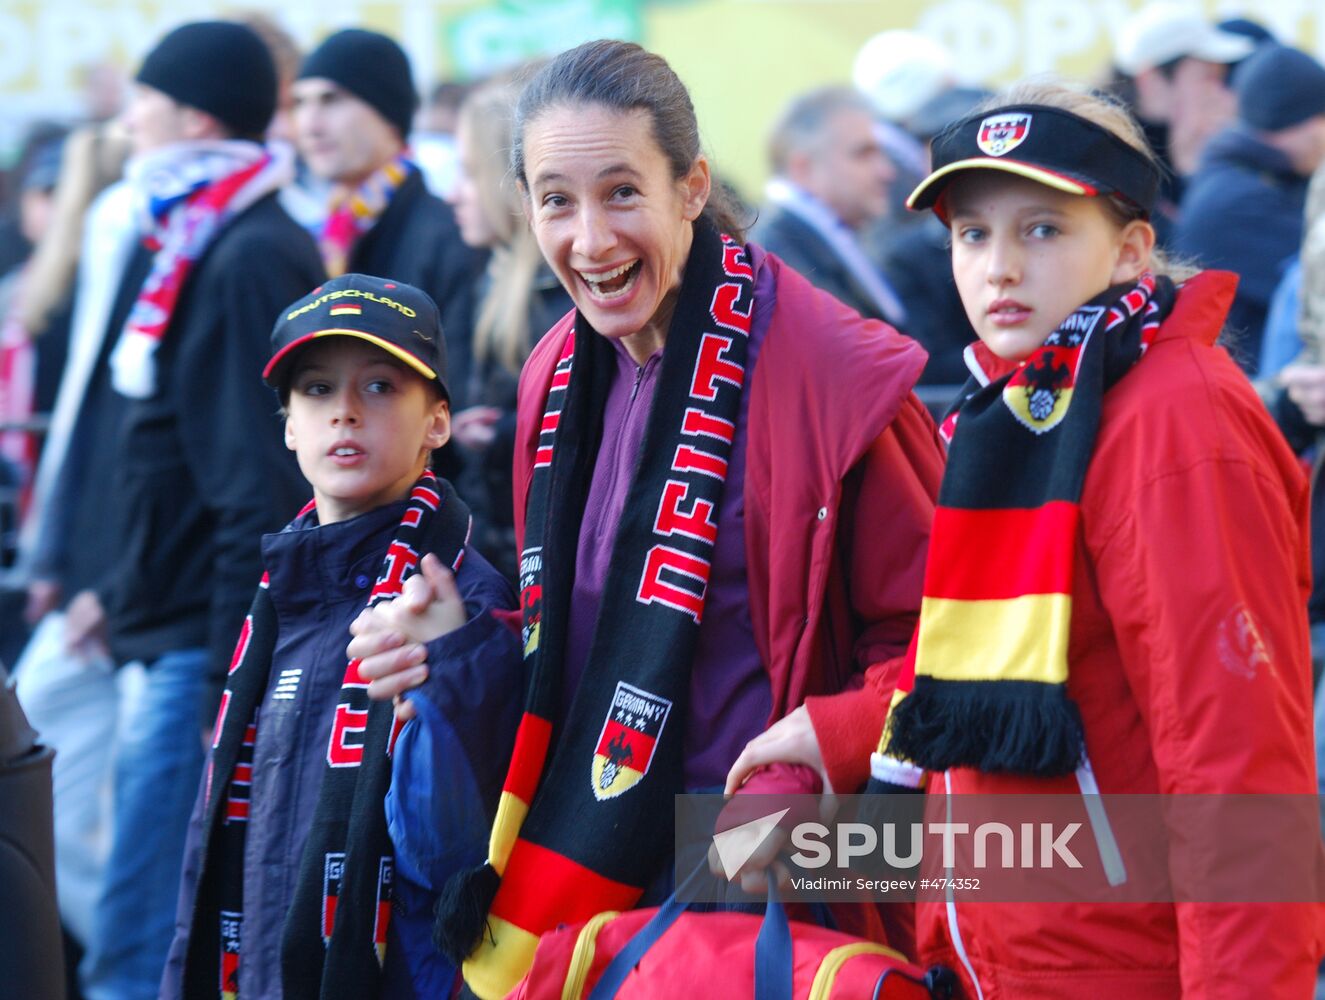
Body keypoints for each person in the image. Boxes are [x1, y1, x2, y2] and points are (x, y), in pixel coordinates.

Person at [348, 39, 945, 1000]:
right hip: (594, 878)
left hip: (784, 880)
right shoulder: (556, 371)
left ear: (692, 187)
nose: (590, 239)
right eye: (556, 200)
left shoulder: (835, 373)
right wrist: (452, 644)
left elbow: (945, 642)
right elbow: (582, 640)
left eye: (622, 192)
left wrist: (816, 752)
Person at [849, 82, 1318, 995]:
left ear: (1131, 249)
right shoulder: (1031, 406)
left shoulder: (1174, 422)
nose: (997, 269)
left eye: (1043, 230)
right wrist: (834, 730)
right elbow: (983, 669)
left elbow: (1236, 767)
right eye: (971, 233)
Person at [158, 273, 521, 1000]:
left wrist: (444, 676)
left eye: (381, 387)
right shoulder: (278, 597)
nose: (345, 413)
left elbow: (451, 861)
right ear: (289, 426)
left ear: (438, 422)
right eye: (317, 390)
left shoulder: (465, 601)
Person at [63, 22, 325, 1000]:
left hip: (197, 642)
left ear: (198, 116)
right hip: (162, 618)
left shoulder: (245, 249)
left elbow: (252, 483)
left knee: (145, 922)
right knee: (149, 904)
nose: (128, 122)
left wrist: (228, 671)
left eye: (146, 101)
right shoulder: (194, 231)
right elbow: (155, 449)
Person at [292, 29, 486, 408]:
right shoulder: (329, 233)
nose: (310, 125)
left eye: (331, 100)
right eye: (299, 103)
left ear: (388, 114)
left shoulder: (446, 236)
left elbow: (457, 400)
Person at [444, 75, 572, 580]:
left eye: (469, 174)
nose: (454, 194)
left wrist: (499, 433)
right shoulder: (496, 275)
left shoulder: (560, 292)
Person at [1174, 43, 1325, 372]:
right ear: (1309, 121)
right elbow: (1317, 283)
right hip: (1247, 397)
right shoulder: (1235, 203)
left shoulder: (1251, 178)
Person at [752, 86, 906, 326]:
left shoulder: (811, 236)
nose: (887, 172)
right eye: (863, 154)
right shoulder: (777, 259)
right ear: (802, 169)